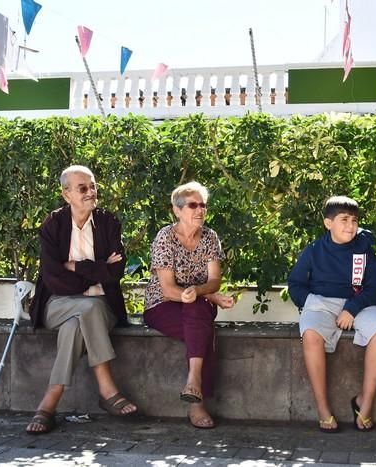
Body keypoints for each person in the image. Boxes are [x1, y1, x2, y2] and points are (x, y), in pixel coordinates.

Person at [26, 165, 137, 435]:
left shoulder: (108, 222)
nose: (91, 193)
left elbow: (116, 272)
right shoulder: (53, 225)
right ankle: (107, 389)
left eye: (93, 186)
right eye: (82, 188)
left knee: (81, 320)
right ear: (66, 195)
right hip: (57, 306)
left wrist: (76, 266)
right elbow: (54, 280)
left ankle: (49, 402)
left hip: (103, 309)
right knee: (88, 305)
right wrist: (98, 269)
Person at [288, 196, 376, 433]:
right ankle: (323, 410)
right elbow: (295, 284)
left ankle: (364, 404)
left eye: (354, 220)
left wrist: (351, 309)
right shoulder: (314, 250)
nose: (350, 226)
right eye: (344, 220)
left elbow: (375, 288)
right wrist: (311, 303)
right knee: (311, 333)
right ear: (328, 223)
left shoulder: (363, 249)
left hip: (358, 303)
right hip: (321, 303)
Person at [143, 181, 235, 429]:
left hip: (196, 303)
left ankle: (193, 383)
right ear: (177, 210)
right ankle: (197, 403)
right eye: (193, 205)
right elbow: (168, 289)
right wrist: (207, 296)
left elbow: (215, 280)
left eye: (203, 205)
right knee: (203, 329)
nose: (200, 210)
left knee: (198, 313)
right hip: (162, 304)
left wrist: (203, 293)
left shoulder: (209, 237)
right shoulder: (165, 237)